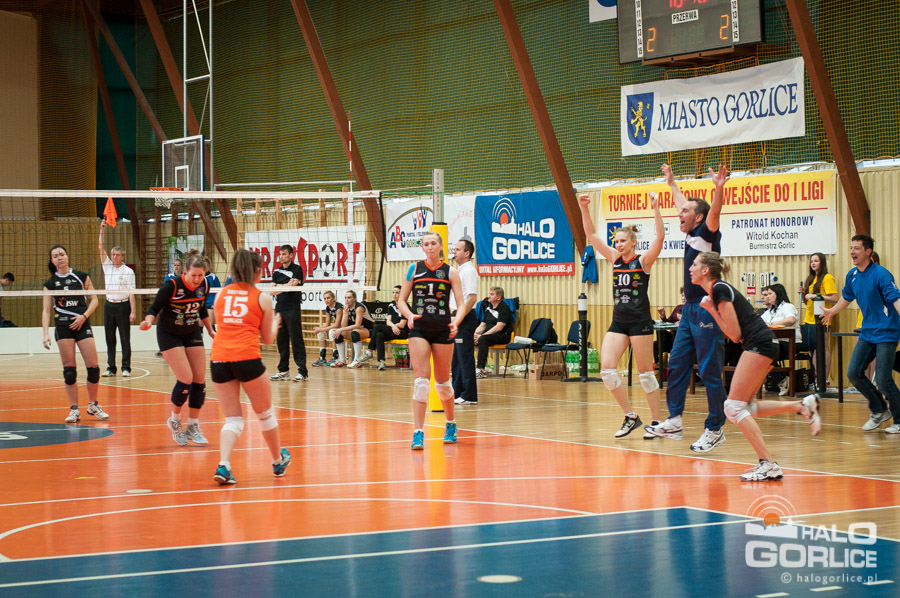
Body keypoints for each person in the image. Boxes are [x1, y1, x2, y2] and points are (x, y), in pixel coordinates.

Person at [693, 252, 820, 481]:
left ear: (705, 270)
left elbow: (734, 334)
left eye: (694, 264)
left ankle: (768, 464)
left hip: (759, 344)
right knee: (746, 407)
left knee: (733, 408)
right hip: (764, 344)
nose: (690, 268)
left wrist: (711, 310)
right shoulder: (718, 290)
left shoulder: (718, 289)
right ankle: (801, 406)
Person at [645, 163, 730, 453]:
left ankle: (715, 428)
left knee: (709, 370)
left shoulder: (707, 232)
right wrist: (671, 183)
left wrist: (718, 189)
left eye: (685, 212)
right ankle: (674, 419)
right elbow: (684, 204)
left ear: (699, 217)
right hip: (689, 309)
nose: (679, 213)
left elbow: (714, 212)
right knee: (677, 363)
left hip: (707, 308)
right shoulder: (692, 231)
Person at [579, 191, 664, 438]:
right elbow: (591, 235)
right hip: (619, 322)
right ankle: (630, 416)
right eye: (616, 241)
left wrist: (656, 207)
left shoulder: (643, 261)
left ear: (633, 242)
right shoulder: (614, 259)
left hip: (640, 323)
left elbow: (660, 237)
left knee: (645, 375)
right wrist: (584, 208)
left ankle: (657, 422)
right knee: (607, 371)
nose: (618, 245)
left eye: (623, 241)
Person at [210, 249, 291, 485]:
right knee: (265, 414)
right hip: (247, 359)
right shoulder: (261, 297)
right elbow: (267, 339)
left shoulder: (221, 294)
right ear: (257, 271)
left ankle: (224, 465)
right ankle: (277, 462)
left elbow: (220, 324)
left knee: (233, 419)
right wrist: (275, 325)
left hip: (219, 359)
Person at [821, 235, 900, 434]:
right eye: (851, 248)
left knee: (883, 379)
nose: (852, 252)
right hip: (867, 332)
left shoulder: (882, 274)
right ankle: (880, 410)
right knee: (853, 373)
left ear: (868, 252)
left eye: (856, 248)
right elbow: (846, 297)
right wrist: (832, 312)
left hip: (887, 333)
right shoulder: (853, 275)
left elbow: (895, 299)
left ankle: (899, 420)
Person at [398, 230, 468, 449]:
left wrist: (456, 321)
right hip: (419, 328)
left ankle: (451, 423)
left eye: (433, 243)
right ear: (422, 247)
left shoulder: (450, 272)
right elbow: (402, 300)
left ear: (440, 247)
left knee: (443, 383)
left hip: (442, 329)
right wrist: (409, 316)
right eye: (426, 244)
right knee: (421, 382)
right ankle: (418, 432)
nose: (429, 247)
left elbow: (462, 303)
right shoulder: (414, 269)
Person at [140, 253, 215, 446]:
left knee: (199, 380)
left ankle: (193, 425)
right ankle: (174, 420)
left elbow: (202, 309)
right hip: (169, 333)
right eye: (193, 275)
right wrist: (148, 321)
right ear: (185, 272)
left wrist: (210, 330)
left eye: (200, 275)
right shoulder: (172, 286)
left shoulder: (204, 285)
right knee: (186, 378)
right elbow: (154, 308)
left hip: (191, 331)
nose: (197, 280)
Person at [41, 246, 109, 423]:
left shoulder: (81, 276)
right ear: (52, 261)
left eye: (62, 254)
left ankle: (93, 405)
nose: (59, 258)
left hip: (82, 323)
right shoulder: (50, 284)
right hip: (63, 326)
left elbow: (94, 300)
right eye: (55, 256)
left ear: (67, 256)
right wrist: (45, 334)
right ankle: (74, 410)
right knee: (69, 371)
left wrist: (83, 316)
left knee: (93, 368)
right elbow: (46, 310)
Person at [98, 220, 136, 377]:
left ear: (123, 256)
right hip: (109, 306)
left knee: (125, 338)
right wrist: (102, 230)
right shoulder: (107, 266)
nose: (114, 257)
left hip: (123, 306)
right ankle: (111, 368)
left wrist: (133, 311)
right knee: (109, 338)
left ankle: (126, 367)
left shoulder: (128, 272)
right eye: (113, 254)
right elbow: (100, 247)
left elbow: (132, 292)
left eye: (117, 255)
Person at [798, 252, 839, 387]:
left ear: (822, 262)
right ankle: (815, 378)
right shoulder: (810, 278)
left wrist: (815, 296)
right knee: (813, 349)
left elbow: (834, 298)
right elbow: (807, 301)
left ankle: (824, 378)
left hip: (822, 318)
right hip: (809, 318)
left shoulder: (827, 278)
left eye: (816, 261)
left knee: (823, 347)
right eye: (811, 261)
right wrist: (803, 294)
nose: (813, 263)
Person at [269, 245, 307, 381]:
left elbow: (293, 286)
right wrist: (286, 286)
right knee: (281, 341)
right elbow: (272, 291)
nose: (281, 257)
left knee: (296, 340)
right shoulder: (276, 272)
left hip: (292, 308)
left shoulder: (297, 269)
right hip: (279, 309)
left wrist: (279, 286)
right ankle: (283, 371)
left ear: (291, 255)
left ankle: (302, 371)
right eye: (280, 254)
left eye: (284, 254)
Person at [759, 283, 801, 396]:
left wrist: (772, 324)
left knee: (766, 351)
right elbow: (760, 322)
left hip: (790, 342)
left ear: (777, 294)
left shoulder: (787, 306)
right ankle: (782, 378)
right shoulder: (771, 311)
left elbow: (791, 320)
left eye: (770, 294)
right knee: (759, 351)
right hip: (775, 342)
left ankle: (780, 378)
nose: (767, 297)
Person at [451, 238, 479, 404]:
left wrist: (459, 317)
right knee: (456, 357)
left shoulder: (469, 271)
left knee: (465, 356)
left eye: (458, 249)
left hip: (465, 317)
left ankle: (469, 395)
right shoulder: (459, 271)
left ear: (467, 253)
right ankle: (457, 392)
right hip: (457, 315)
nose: (454, 252)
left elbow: (472, 297)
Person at [366, 285, 409, 370]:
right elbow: (388, 321)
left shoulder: (405, 306)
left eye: (397, 293)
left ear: (402, 294)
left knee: (378, 327)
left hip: (402, 332)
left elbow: (402, 324)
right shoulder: (391, 305)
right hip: (393, 330)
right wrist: (393, 326)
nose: (394, 294)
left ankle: (369, 351)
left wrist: (394, 326)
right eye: (393, 292)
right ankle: (381, 361)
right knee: (379, 335)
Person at [473, 287, 512, 379]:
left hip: (503, 335)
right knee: (468, 338)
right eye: (489, 294)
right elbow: (483, 325)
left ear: (498, 297)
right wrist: (474, 334)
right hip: (489, 335)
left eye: (491, 294)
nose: (488, 296)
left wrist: (482, 335)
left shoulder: (504, 308)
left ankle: (481, 369)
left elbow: (499, 327)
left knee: (483, 339)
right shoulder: (489, 308)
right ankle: (466, 367)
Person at [339, 290, 376, 368]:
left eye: (349, 297)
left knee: (355, 332)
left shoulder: (359, 307)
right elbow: (343, 326)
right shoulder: (346, 308)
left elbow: (357, 325)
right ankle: (342, 360)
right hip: (359, 330)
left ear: (354, 299)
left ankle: (356, 361)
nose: (347, 300)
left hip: (370, 329)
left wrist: (341, 329)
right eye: (345, 298)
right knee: (337, 333)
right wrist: (345, 313)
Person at [311, 291, 344, 366]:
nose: (326, 300)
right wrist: (319, 328)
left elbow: (337, 324)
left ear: (334, 298)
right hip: (339, 327)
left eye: (328, 298)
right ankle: (322, 357)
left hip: (345, 327)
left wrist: (321, 329)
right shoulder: (328, 308)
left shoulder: (339, 307)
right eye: (325, 298)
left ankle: (335, 357)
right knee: (321, 332)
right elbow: (327, 324)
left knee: (332, 331)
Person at [203, 257, 221, 328]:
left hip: (211, 303)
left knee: (211, 323)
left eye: (206, 266)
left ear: (209, 267)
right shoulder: (199, 277)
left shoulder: (213, 277)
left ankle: (213, 333)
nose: (205, 268)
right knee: (199, 323)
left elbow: (219, 290)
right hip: (202, 303)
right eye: (204, 266)